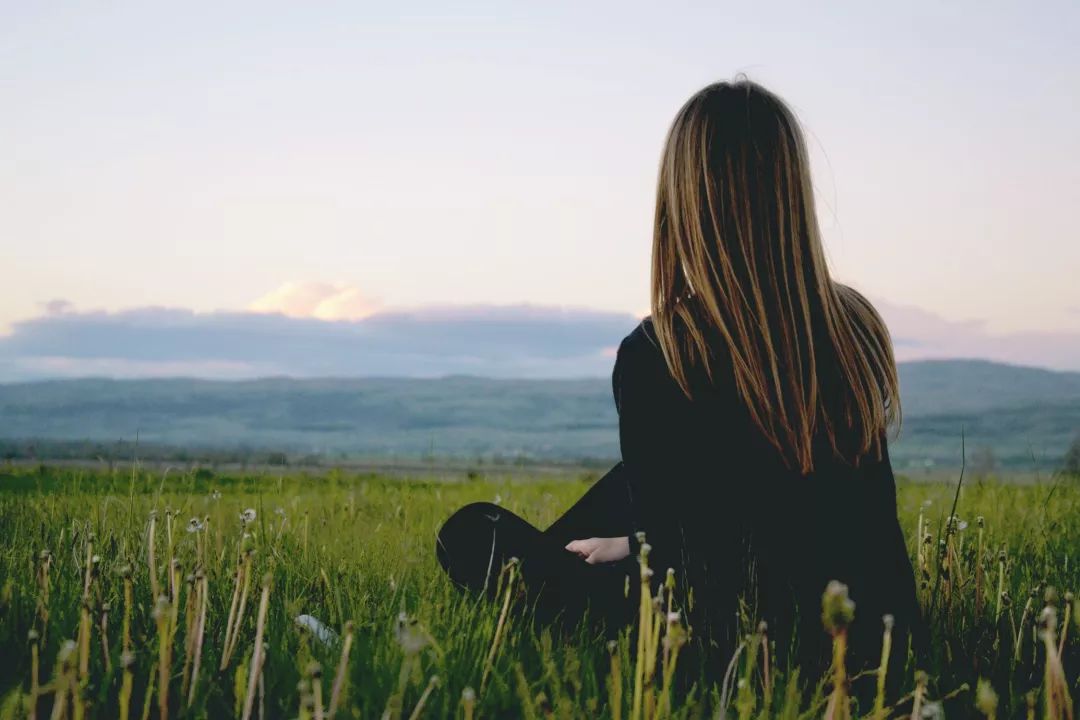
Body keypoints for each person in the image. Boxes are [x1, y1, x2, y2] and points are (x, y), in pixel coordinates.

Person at [435, 78, 922, 686]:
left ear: (686, 201)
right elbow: (798, 504)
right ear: (791, 190)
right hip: (877, 633)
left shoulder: (664, 351)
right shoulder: (855, 325)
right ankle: (598, 547)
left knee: (469, 535)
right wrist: (633, 539)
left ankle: (550, 581)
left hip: (725, 644)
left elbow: (692, 568)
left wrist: (636, 549)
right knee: (629, 485)